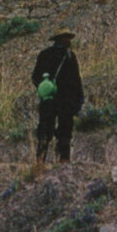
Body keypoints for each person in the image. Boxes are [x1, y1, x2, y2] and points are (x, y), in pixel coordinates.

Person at [30, 30, 84, 164]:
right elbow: (76, 80)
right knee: (65, 130)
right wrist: (79, 99)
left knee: (45, 128)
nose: (69, 41)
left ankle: (40, 158)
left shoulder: (44, 55)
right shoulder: (70, 56)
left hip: (48, 99)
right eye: (67, 38)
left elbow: (35, 77)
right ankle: (64, 159)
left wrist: (45, 87)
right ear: (61, 39)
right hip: (66, 100)